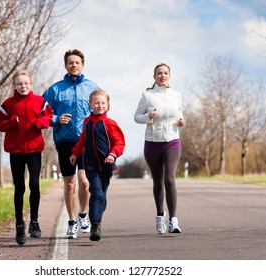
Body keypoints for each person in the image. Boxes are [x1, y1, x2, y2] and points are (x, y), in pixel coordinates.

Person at [43, 49, 99, 239]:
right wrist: (57, 118)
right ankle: (72, 221)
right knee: (69, 185)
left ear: (82, 65)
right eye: (70, 62)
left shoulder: (92, 87)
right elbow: (41, 114)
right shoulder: (55, 90)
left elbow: (101, 109)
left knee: (84, 182)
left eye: (77, 62)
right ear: (65, 65)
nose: (73, 65)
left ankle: (84, 215)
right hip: (65, 140)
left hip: (86, 140)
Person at [0, 70, 53, 246]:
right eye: (20, 84)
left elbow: (49, 116)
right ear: (14, 86)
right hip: (16, 151)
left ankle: (34, 222)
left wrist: (41, 123)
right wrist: (12, 122)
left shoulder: (40, 101)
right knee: (19, 187)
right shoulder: (8, 104)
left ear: (31, 84)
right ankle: (19, 224)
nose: (23, 86)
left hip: (35, 149)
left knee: (34, 185)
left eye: (26, 83)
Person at [134, 63, 184, 234]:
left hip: (172, 140)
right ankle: (160, 216)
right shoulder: (147, 96)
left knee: (169, 179)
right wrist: (148, 116)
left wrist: (181, 122)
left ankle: (174, 221)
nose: (163, 76)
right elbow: (136, 117)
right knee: (158, 182)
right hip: (153, 142)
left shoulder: (176, 95)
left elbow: (179, 114)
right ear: (154, 77)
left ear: (169, 76)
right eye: (159, 73)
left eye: (166, 73)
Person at [70, 89, 125, 241]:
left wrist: (113, 155)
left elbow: (119, 142)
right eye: (96, 103)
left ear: (107, 106)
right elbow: (82, 140)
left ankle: (96, 217)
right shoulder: (87, 122)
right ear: (90, 105)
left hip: (106, 165)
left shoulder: (110, 123)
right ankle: (96, 225)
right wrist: (75, 153)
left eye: (102, 103)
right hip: (91, 164)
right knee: (96, 193)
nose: (99, 105)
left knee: (102, 196)